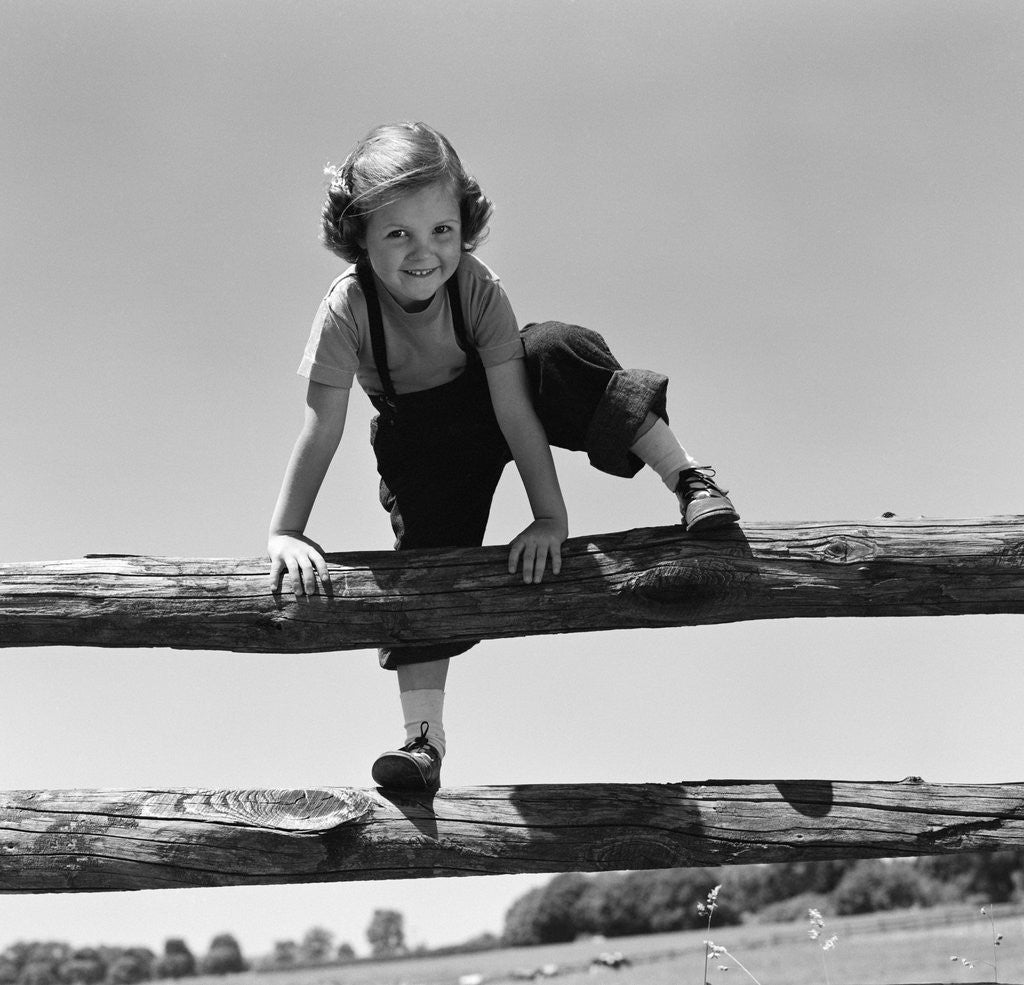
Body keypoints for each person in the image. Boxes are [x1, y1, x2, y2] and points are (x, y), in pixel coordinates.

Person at [267, 122, 738, 795]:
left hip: (495, 395)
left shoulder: (478, 288)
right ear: (358, 235)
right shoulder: (348, 307)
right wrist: (287, 530)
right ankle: (423, 739)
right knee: (425, 562)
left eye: (441, 230)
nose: (424, 251)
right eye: (397, 233)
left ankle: (688, 478)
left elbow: (515, 411)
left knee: (556, 348)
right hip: (423, 437)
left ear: (465, 225)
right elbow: (323, 425)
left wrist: (549, 518)